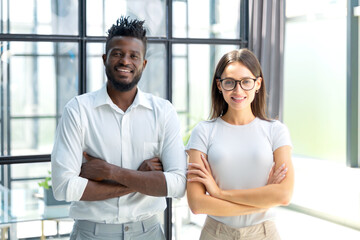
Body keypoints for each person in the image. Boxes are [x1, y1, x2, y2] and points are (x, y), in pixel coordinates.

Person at [51, 16, 187, 240]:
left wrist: (111, 172)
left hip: (149, 232)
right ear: (105, 59)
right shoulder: (78, 110)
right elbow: (64, 187)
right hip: (92, 233)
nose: (125, 61)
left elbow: (178, 184)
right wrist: (141, 179)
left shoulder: (163, 112)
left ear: (143, 64)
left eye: (134, 56)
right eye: (117, 53)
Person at [186, 49, 294, 240]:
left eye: (246, 82)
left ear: (257, 84)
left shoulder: (276, 131)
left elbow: (284, 194)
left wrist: (219, 193)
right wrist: (264, 198)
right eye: (230, 82)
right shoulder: (203, 132)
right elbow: (197, 204)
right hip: (216, 233)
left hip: (263, 234)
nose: (238, 91)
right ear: (219, 85)